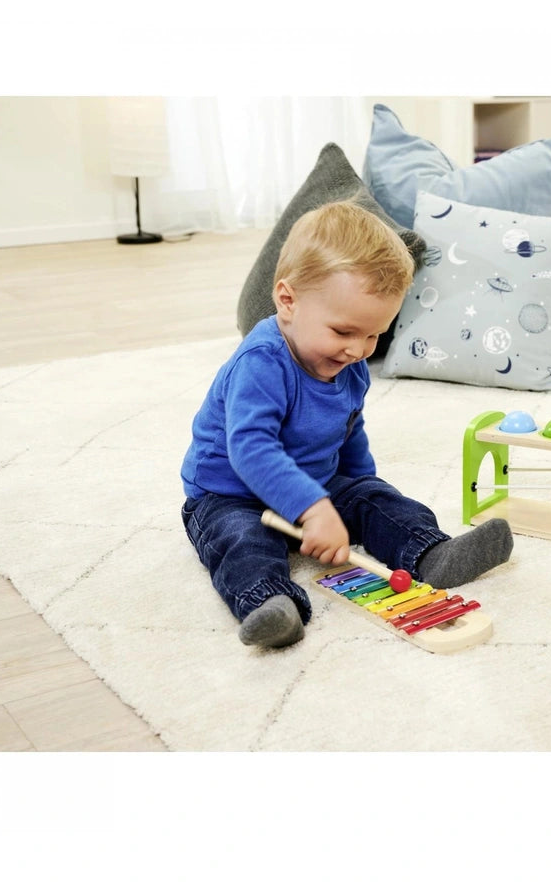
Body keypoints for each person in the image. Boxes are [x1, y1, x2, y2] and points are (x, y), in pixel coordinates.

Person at [181, 199, 513, 648]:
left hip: (315, 482)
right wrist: (315, 511)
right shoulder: (261, 363)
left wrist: (361, 491)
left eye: (374, 334)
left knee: (378, 499)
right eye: (343, 332)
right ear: (288, 300)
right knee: (241, 543)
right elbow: (251, 451)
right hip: (231, 493)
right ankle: (270, 603)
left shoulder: (348, 364)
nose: (359, 350)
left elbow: (348, 428)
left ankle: (431, 552)